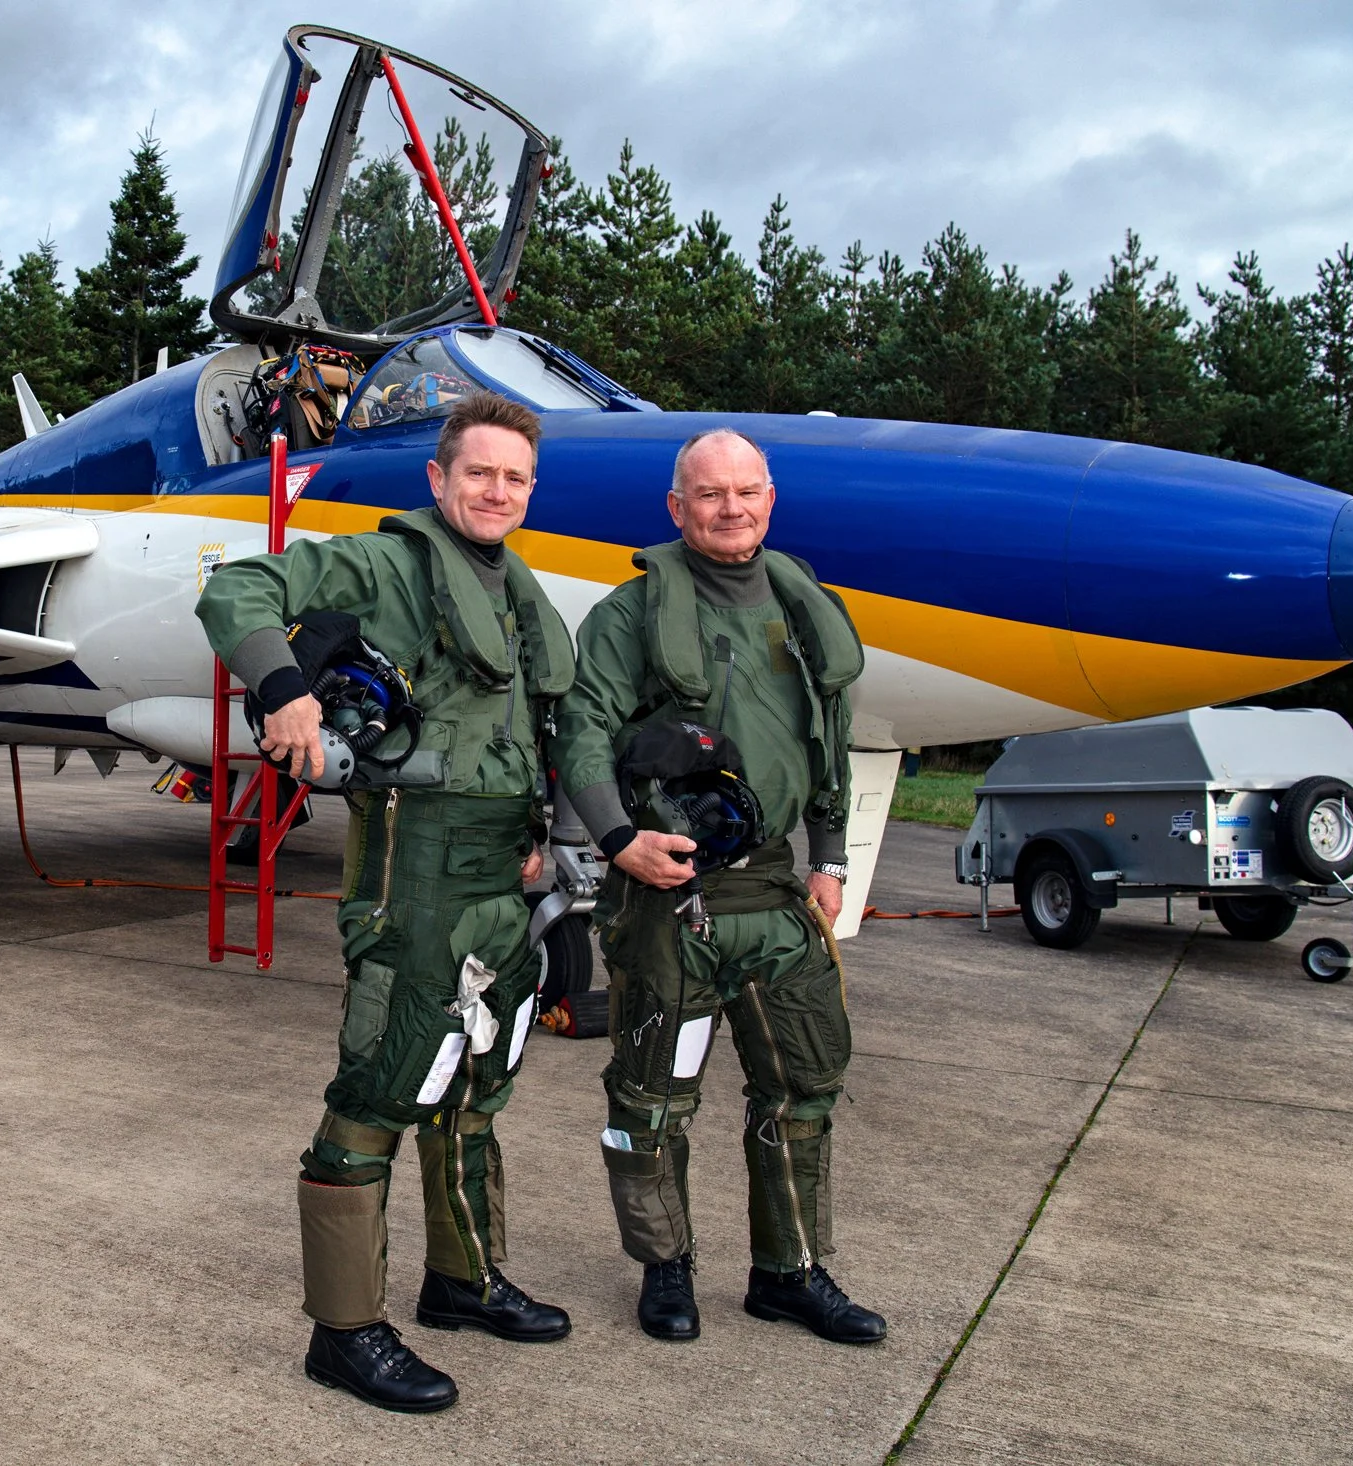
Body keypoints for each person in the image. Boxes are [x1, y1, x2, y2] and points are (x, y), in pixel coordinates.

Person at [195, 391, 576, 1413]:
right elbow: (237, 589)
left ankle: (461, 1278)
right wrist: (283, 688)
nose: (496, 490)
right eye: (479, 472)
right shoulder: (387, 563)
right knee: (375, 1091)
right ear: (438, 478)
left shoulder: (511, 587)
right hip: (412, 866)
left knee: (470, 1086)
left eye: (514, 477)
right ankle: (345, 1329)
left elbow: (526, 728)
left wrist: (546, 838)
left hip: (500, 877)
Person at [553, 427, 886, 1346]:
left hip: (779, 891)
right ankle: (668, 1269)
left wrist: (829, 857)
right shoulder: (630, 616)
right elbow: (581, 731)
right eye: (709, 494)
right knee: (653, 1096)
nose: (730, 508)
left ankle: (790, 1273)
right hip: (671, 890)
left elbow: (831, 736)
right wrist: (618, 840)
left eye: (746, 492)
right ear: (677, 508)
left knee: (805, 1085)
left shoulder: (806, 606)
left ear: (769, 500)